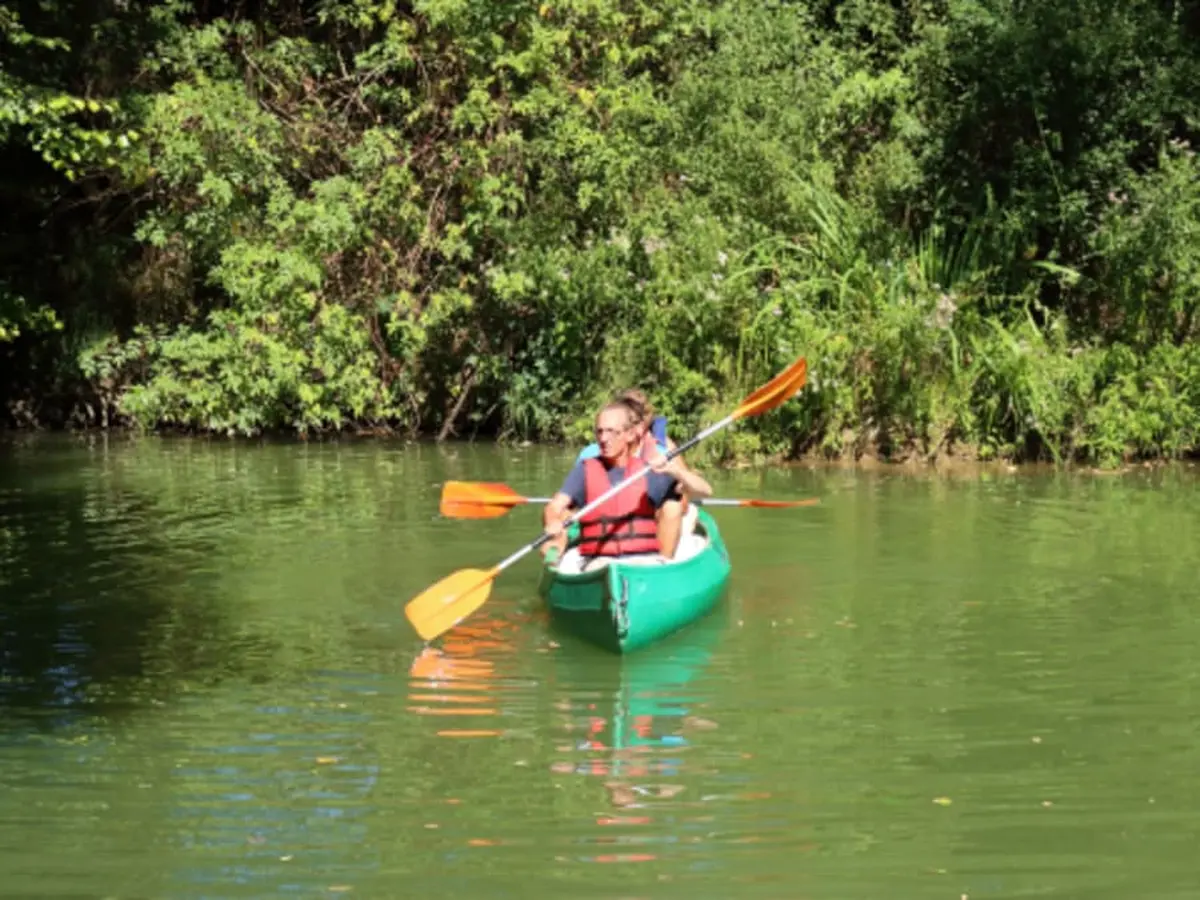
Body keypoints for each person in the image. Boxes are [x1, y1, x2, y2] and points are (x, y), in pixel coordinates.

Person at [541, 400, 712, 566]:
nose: (603, 438)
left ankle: (666, 565)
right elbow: (555, 506)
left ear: (630, 434)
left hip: (645, 562)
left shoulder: (650, 471)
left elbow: (705, 491)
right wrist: (552, 521)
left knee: (672, 506)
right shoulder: (585, 471)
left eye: (611, 432)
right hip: (598, 562)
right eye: (599, 432)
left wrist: (674, 470)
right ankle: (557, 550)